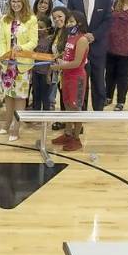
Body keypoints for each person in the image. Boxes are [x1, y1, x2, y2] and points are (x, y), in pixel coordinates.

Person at [67, 0, 112, 111]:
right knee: (81, 81)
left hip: (98, 45)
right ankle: (81, 111)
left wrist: (94, 35)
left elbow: (108, 20)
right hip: (79, 46)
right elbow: (71, 20)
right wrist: (81, 37)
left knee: (98, 80)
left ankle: (98, 111)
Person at [0, 0, 38, 142]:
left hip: (22, 65)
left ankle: (16, 126)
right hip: (8, 64)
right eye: (13, 1)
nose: (15, 4)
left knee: (20, 97)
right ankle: (6, 122)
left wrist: (21, 47)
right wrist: (4, 56)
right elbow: (1, 40)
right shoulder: (5, 19)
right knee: (8, 95)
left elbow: (33, 42)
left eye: (18, 1)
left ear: (24, 2)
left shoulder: (31, 20)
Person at [50, 10, 90, 151]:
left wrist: (60, 65)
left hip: (77, 77)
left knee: (76, 108)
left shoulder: (82, 39)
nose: (69, 24)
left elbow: (77, 62)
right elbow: (67, 57)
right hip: (66, 75)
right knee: (67, 105)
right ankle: (67, 133)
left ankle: (76, 138)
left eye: (72, 22)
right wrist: (59, 60)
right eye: (68, 22)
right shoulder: (70, 37)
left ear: (79, 23)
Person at [31, 14, 54, 111]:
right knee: (36, 95)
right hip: (35, 72)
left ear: (47, 28)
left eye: (41, 27)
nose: (38, 29)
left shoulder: (50, 41)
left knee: (45, 96)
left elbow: (52, 59)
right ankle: (35, 115)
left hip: (45, 73)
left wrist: (49, 74)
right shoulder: (34, 39)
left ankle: (45, 117)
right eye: (37, 27)